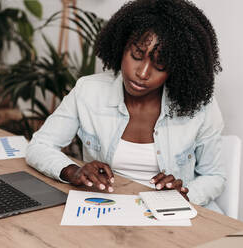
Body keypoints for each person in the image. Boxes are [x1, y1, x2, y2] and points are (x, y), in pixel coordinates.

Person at [26, 0, 225, 213]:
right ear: (122, 46)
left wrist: (185, 193)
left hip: (173, 217)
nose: (142, 73)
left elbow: (214, 176)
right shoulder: (88, 92)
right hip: (108, 211)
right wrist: (73, 171)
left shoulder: (200, 107)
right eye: (137, 55)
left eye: (160, 65)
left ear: (176, 69)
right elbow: (39, 146)